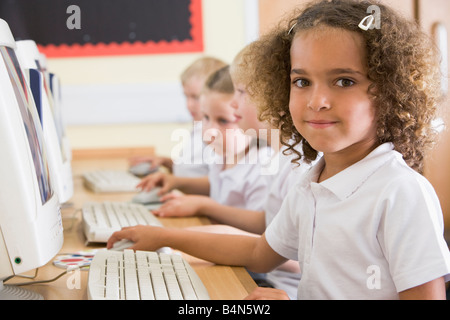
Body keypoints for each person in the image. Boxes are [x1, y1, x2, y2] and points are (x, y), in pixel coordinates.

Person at [108, 0, 450, 299]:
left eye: (344, 81)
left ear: (390, 92)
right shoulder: (311, 180)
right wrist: (163, 237)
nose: (317, 101)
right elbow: (260, 252)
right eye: (302, 81)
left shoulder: (401, 192)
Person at [137, 66, 272, 214]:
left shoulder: (263, 166)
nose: (209, 131)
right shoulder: (223, 156)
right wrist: (176, 182)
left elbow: (261, 227)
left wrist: (204, 207)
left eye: (223, 121)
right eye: (206, 117)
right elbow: (218, 184)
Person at [129, 56, 226, 177]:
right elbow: (192, 170)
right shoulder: (198, 127)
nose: (189, 105)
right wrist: (168, 163)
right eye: (186, 96)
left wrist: (173, 182)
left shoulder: (217, 135)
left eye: (196, 97)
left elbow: (216, 182)